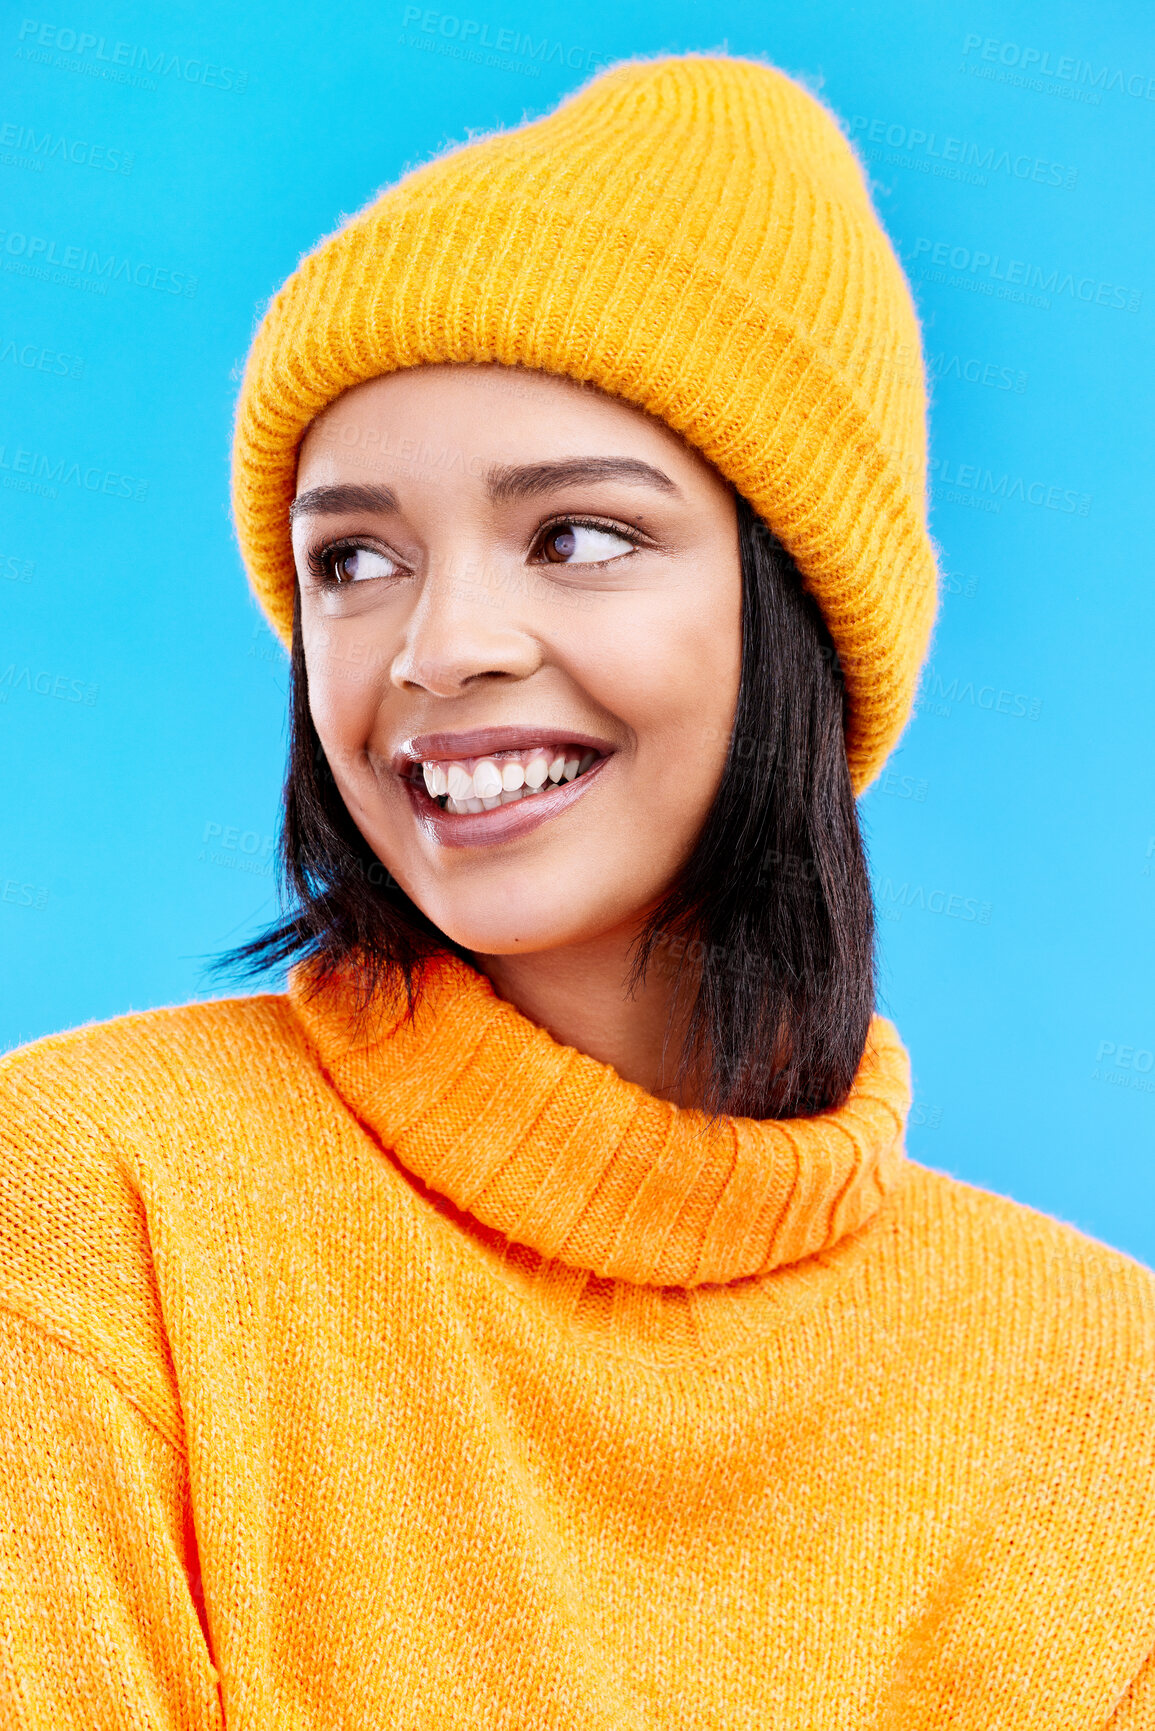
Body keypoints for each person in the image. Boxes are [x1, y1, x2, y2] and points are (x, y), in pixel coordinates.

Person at [1, 52, 1152, 1731]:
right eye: (357, 559)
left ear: (799, 614)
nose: (441, 645)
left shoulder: (1103, 1391)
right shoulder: (104, 1200)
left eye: (582, 537)